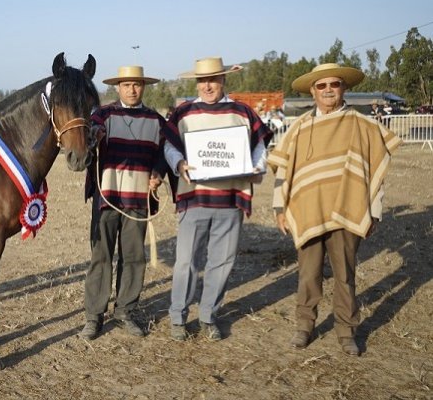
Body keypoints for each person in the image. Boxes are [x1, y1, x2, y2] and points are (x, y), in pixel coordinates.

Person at [267, 63, 401, 356]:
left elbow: (375, 172)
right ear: (313, 91)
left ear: (344, 88)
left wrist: (374, 211)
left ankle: (346, 330)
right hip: (307, 210)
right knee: (308, 274)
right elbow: (283, 170)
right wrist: (280, 207)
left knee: (345, 275)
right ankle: (304, 326)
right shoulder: (300, 126)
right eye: (322, 86)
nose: (328, 90)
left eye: (334, 84)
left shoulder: (361, 125)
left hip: (347, 211)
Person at [164, 57, 273, 341]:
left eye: (213, 79)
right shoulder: (183, 113)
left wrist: (257, 167)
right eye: (203, 80)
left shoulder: (242, 112)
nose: (208, 85)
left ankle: (208, 316)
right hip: (194, 197)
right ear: (196, 83)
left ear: (223, 80)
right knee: (186, 261)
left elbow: (259, 146)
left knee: (222, 261)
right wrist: (179, 164)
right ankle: (178, 317)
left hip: (230, 199)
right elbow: (169, 146)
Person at [79, 65, 168, 340]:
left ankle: (125, 311)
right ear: (118, 87)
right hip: (107, 197)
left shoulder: (155, 120)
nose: (132, 89)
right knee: (101, 257)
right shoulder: (102, 115)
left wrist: (159, 171)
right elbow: (86, 139)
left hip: (138, 199)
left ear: (143, 87)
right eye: (127, 84)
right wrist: (94, 137)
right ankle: (94, 316)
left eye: (137, 84)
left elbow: (166, 152)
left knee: (133, 257)